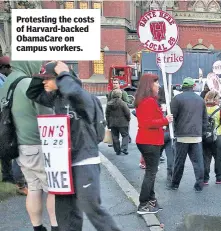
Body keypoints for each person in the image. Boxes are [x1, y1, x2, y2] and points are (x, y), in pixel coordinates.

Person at [26, 61, 120, 231]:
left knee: (92, 209)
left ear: (62, 79)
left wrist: (63, 74)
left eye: (47, 78)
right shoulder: (55, 98)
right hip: (63, 166)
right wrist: (42, 67)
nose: (44, 82)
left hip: (85, 160)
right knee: (66, 215)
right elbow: (32, 93)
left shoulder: (83, 97)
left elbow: (75, 92)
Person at [1, 60, 58, 231]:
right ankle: (56, 226)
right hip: (38, 144)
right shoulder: (27, 83)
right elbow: (47, 114)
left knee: (33, 188)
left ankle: (37, 227)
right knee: (53, 189)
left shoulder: (8, 82)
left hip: (19, 145)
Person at [134, 74, 172, 214]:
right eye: (156, 83)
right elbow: (147, 123)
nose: (158, 85)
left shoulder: (146, 100)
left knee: (151, 172)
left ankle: (151, 200)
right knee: (151, 173)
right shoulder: (148, 101)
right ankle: (143, 204)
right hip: (150, 141)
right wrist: (165, 120)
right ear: (149, 85)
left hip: (147, 140)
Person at [168, 77, 208, 192]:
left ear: (183, 86)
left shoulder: (177, 99)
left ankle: (175, 184)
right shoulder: (200, 100)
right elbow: (205, 119)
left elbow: (171, 117)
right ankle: (199, 185)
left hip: (181, 135)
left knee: (179, 162)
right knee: (198, 162)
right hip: (196, 135)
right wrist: (203, 133)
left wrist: (174, 131)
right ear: (193, 86)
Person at [0, 55, 28, 196]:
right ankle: (13, 179)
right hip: (4, 117)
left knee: (8, 146)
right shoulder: (3, 80)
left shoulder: (5, 79)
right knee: (8, 146)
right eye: (9, 68)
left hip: (7, 117)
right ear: (4, 68)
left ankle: (11, 178)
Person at [203, 90, 221, 185]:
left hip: (205, 137)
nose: (219, 100)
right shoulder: (219, 110)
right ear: (214, 99)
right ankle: (219, 178)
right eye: (218, 98)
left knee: (205, 158)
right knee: (219, 158)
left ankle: (204, 179)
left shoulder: (203, 109)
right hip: (218, 136)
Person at [106, 88, 131, 155]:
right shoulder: (122, 103)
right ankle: (124, 148)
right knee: (125, 135)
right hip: (123, 122)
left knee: (115, 136)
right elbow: (127, 112)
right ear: (120, 95)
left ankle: (117, 150)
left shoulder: (109, 104)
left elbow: (107, 114)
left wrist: (108, 123)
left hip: (112, 123)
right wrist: (128, 119)